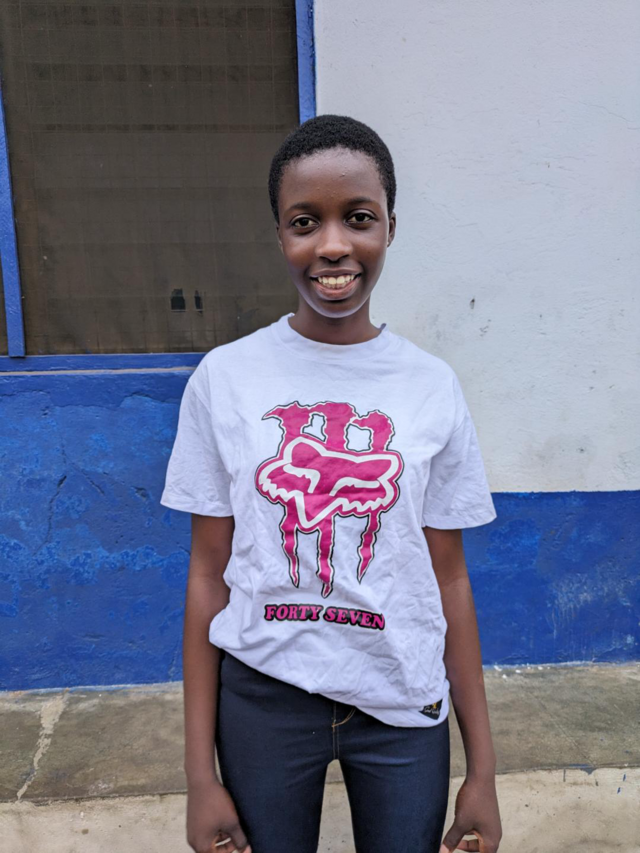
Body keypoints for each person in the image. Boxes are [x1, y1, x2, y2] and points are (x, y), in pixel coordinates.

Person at [160, 114, 503, 853]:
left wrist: (483, 769)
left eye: (359, 218)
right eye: (305, 222)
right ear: (280, 235)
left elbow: (448, 578)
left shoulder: (431, 386)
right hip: (263, 699)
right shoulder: (226, 378)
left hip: (401, 700)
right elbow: (207, 574)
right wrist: (199, 777)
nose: (333, 245)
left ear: (390, 227)